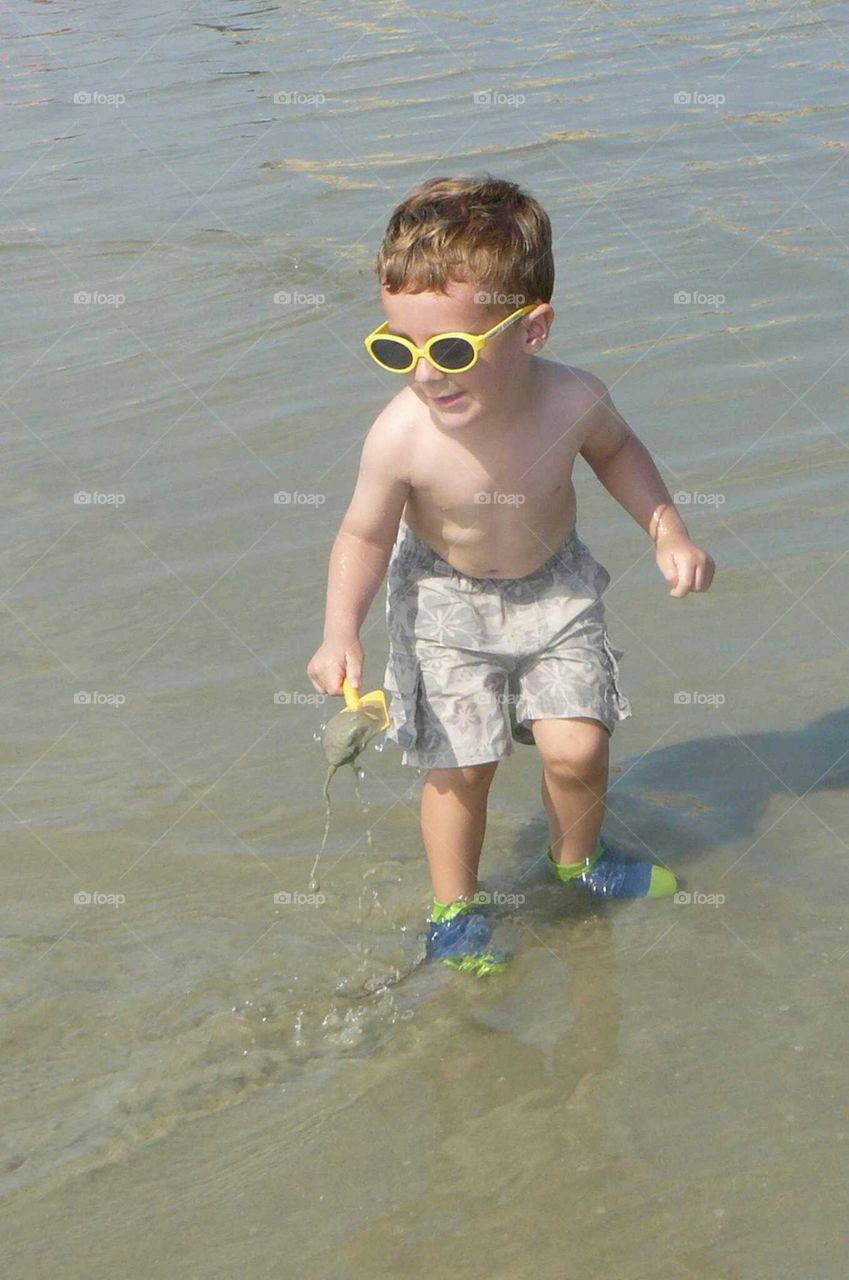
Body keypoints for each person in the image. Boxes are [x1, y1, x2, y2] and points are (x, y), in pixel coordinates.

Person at [307, 174, 715, 975]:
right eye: (397, 348)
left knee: (575, 747)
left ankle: (578, 860)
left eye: (450, 349)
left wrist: (667, 529)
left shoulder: (572, 400)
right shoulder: (401, 436)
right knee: (461, 766)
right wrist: (338, 631)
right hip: (442, 603)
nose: (424, 374)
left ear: (531, 331)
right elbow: (362, 533)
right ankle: (455, 910)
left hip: (555, 592)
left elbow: (619, 454)